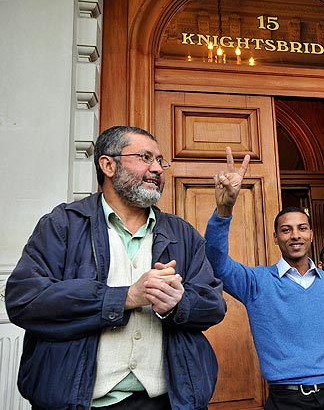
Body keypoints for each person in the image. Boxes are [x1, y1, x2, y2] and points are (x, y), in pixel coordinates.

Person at [5, 126, 227, 410]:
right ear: (108, 165)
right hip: (80, 402)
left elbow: (213, 305)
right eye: (145, 157)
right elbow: (24, 300)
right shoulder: (63, 224)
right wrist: (124, 297)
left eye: (160, 161)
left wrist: (176, 304)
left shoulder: (182, 233)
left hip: (168, 402)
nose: (157, 169)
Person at [204, 148, 324, 410]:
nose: (295, 235)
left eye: (302, 228)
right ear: (276, 237)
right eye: (286, 230)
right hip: (287, 400)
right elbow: (215, 262)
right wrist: (224, 209)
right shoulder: (256, 282)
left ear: (311, 235)